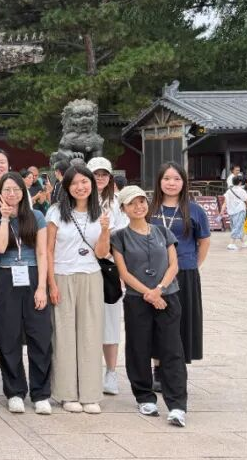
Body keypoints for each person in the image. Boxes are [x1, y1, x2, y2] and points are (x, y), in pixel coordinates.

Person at [111, 186, 188, 427]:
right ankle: (144, 397)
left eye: (142, 201)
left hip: (167, 297)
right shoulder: (119, 237)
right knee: (138, 348)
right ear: (123, 208)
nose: (138, 207)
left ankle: (177, 405)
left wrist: (159, 290)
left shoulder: (163, 231)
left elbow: (173, 265)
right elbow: (124, 273)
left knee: (172, 350)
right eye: (131, 203)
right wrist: (149, 294)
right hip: (137, 300)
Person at [46, 164, 111, 414]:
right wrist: (51, 283)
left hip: (91, 276)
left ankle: (90, 393)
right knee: (63, 336)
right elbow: (48, 250)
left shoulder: (100, 212)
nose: (80, 187)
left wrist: (104, 230)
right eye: (74, 183)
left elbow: (102, 253)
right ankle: (66, 393)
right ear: (67, 187)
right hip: (62, 276)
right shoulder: (55, 212)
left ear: (92, 185)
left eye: (85, 182)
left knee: (90, 335)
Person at [0, 172, 53, 415]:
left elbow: (42, 253)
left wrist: (42, 287)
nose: (11, 194)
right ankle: (14, 391)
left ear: (23, 192)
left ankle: (41, 393)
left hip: (33, 275)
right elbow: (0, 246)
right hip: (6, 277)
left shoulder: (36, 216)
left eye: (16, 189)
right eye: (6, 190)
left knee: (40, 336)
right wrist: (5, 218)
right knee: (9, 336)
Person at [149, 162, 210, 367]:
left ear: (183, 182)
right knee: (157, 322)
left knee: (183, 321)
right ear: (159, 182)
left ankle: (177, 369)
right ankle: (158, 368)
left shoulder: (195, 210)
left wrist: (193, 264)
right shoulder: (149, 208)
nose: (171, 183)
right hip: (155, 274)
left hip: (185, 273)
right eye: (166, 178)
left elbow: (204, 241)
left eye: (176, 179)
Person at [86, 156, 129, 396]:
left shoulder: (117, 203)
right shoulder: (77, 199)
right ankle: (87, 370)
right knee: (85, 321)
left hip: (109, 266)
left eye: (104, 174)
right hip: (82, 265)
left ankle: (111, 371)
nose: (99, 178)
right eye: (95, 174)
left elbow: (122, 237)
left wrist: (122, 269)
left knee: (110, 321)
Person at [221, 175, 246, 250]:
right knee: (238, 227)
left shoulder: (229, 191)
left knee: (237, 226)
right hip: (240, 210)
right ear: (240, 182)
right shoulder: (242, 191)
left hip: (231, 211)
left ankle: (243, 242)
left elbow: (225, 202)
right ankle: (231, 244)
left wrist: (222, 211)